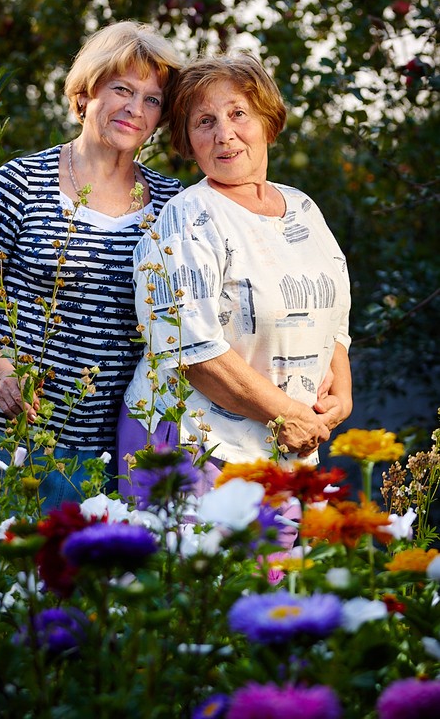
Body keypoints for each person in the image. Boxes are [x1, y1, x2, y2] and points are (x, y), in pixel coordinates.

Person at [0, 20, 182, 511]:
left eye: (152, 99)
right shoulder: (21, 181)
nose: (135, 109)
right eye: (122, 89)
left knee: (75, 586)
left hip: (105, 454)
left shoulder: (172, 203)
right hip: (1, 437)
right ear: (85, 92)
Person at [118, 52, 352, 507]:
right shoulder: (186, 218)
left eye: (238, 113)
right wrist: (288, 415)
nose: (224, 134)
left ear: (267, 120)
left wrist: (341, 395)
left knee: (273, 577)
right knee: (193, 578)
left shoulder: (302, 207)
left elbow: (334, 316)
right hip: (192, 443)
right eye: (204, 121)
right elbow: (191, 350)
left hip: (285, 446)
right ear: (188, 141)